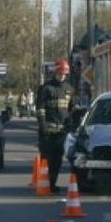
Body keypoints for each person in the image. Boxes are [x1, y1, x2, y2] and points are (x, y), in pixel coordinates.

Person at [35, 58, 74, 193]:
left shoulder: (69, 89)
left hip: (61, 133)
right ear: (55, 73)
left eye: (64, 74)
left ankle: (52, 183)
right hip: (47, 132)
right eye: (60, 73)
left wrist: (70, 126)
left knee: (57, 160)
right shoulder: (45, 89)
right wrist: (43, 126)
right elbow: (40, 109)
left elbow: (71, 110)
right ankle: (45, 184)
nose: (62, 76)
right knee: (47, 159)